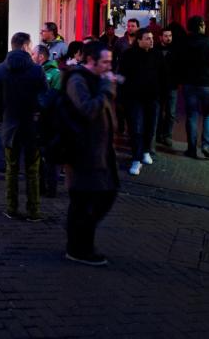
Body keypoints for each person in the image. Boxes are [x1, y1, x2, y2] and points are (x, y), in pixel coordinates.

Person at [63, 41, 120, 267]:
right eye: (105, 62)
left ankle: (79, 242)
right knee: (85, 201)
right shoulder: (77, 80)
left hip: (99, 152)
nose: (109, 66)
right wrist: (107, 89)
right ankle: (78, 247)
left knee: (102, 195)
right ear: (90, 61)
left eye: (110, 62)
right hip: (82, 153)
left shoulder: (96, 78)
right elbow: (87, 109)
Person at [0, 32, 47, 221]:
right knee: (32, 170)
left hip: (10, 124)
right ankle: (34, 210)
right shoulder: (37, 70)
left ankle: (12, 208)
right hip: (31, 125)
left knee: (11, 169)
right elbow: (44, 98)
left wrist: (6, 112)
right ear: (25, 46)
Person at [119, 28, 165, 175]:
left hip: (152, 97)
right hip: (134, 98)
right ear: (139, 40)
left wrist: (161, 93)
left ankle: (145, 150)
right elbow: (123, 76)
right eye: (147, 38)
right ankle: (136, 159)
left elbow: (164, 74)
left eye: (152, 38)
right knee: (136, 128)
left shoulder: (157, 55)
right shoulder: (128, 55)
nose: (151, 41)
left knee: (150, 127)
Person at [181, 16, 209, 160]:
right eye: (203, 24)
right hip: (208, 84)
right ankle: (206, 145)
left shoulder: (185, 43)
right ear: (200, 26)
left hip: (190, 84)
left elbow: (178, 63)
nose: (205, 26)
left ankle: (191, 148)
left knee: (192, 115)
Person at [33, 44, 62, 198]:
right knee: (38, 154)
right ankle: (39, 186)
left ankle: (51, 189)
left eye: (33, 54)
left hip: (51, 122)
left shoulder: (56, 74)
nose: (31, 57)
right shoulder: (34, 72)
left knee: (51, 156)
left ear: (41, 57)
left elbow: (53, 98)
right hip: (38, 121)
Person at [155, 27, 180, 147]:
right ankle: (158, 134)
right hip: (158, 86)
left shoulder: (176, 49)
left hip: (172, 85)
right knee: (158, 112)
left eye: (170, 36)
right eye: (166, 36)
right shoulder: (155, 49)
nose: (168, 38)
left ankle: (168, 135)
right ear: (160, 37)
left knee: (171, 113)